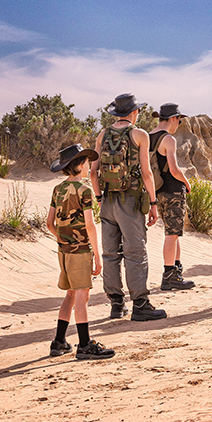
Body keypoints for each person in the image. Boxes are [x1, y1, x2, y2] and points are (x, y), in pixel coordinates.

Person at [90, 93, 166, 321]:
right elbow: (146, 173)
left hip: (108, 201)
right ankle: (140, 304)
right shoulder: (139, 134)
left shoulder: (103, 135)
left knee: (110, 253)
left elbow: (93, 172)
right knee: (135, 252)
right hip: (131, 202)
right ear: (134, 112)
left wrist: (99, 197)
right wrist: (153, 203)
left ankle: (116, 304)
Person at [46, 143, 115, 360]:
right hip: (81, 251)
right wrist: (96, 254)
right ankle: (84, 344)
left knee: (70, 294)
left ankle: (58, 341)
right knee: (82, 296)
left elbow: (49, 223)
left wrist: (63, 239)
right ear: (79, 165)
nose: (89, 165)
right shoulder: (84, 190)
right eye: (86, 162)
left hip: (63, 251)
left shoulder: (58, 189)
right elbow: (90, 225)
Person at [148, 103, 195, 291]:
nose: (179, 124)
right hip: (173, 190)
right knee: (172, 234)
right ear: (173, 118)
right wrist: (186, 182)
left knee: (173, 234)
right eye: (179, 120)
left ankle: (176, 271)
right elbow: (174, 169)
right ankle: (169, 276)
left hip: (158, 190)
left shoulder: (148, 136)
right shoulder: (168, 139)